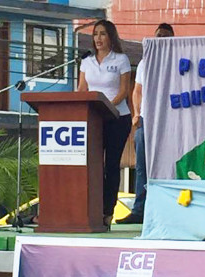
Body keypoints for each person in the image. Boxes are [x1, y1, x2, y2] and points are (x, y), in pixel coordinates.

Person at [116, 23, 175, 224]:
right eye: (159, 36)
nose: (162, 39)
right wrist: (136, 114)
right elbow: (137, 91)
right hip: (147, 120)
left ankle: (167, 212)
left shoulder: (177, 61)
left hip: (169, 121)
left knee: (167, 167)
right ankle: (139, 211)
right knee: (142, 167)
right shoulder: (145, 62)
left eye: (166, 36)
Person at [78, 20, 132, 229]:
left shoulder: (121, 59)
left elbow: (123, 91)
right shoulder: (87, 61)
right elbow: (82, 89)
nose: (98, 38)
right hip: (94, 119)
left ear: (111, 37)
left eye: (102, 34)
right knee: (93, 164)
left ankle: (107, 211)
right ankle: (91, 209)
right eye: (95, 34)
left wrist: (107, 107)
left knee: (111, 165)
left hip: (117, 118)